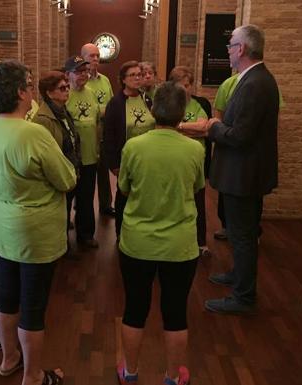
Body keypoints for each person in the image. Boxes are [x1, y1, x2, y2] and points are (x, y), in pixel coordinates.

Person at [0, 60, 76, 385]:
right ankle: (33, 375)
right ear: (19, 92)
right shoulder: (34, 133)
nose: (32, 91)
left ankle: (9, 358)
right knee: (32, 304)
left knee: (7, 293)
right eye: (29, 85)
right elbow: (66, 178)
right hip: (34, 230)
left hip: (0, 222)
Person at [116, 81, 204, 385]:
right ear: (183, 113)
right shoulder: (195, 149)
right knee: (176, 312)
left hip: (137, 242)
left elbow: (124, 188)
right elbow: (197, 188)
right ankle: (172, 377)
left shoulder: (134, 146)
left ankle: (130, 372)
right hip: (180, 245)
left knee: (135, 309)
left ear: (152, 109)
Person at [201, 25, 280, 315]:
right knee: (238, 233)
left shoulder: (255, 83)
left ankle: (243, 296)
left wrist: (213, 127)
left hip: (244, 174)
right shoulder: (253, 79)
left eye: (231, 45)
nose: (229, 50)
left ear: (242, 49)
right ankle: (238, 275)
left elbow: (240, 135)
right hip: (243, 172)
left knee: (243, 235)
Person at [212, 73, 285, 241]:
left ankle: (248, 233)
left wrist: (217, 129)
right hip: (233, 153)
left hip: (246, 158)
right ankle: (228, 226)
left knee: (248, 214)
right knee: (229, 199)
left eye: (232, 48)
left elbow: (269, 119)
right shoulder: (228, 84)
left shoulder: (257, 84)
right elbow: (219, 114)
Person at [103, 61, 155, 238]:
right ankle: (121, 234)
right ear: (123, 79)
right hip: (126, 159)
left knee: (145, 196)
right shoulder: (115, 104)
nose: (137, 78)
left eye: (139, 74)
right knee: (124, 197)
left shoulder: (147, 99)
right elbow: (108, 136)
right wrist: (114, 164)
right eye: (132, 75)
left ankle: (142, 232)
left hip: (148, 158)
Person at [169, 66, 213, 257]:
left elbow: (204, 127)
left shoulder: (198, 104)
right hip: (175, 160)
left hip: (196, 161)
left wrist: (179, 126)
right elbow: (164, 127)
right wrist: (192, 129)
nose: (185, 89)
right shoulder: (169, 105)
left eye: (188, 85)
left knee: (197, 200)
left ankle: (200, 242)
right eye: (181, 85)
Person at [32, 71, 81, 235]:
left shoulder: (62, 110)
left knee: (66, 210)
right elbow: (46, 153)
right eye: (62, 88)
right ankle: (63, 245)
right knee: (60, 213)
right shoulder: (43, 118)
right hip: (57, 174)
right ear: (49, 92)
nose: (67, 90)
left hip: (70, 167)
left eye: (67, 86)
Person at [64, 56, 101, 249]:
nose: (83, 75)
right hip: (69, 159)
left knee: (86, 199)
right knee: (66, 200)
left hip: (89, 156)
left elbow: (96, 122)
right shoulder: (64, 95)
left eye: (85, 71)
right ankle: (63, 241)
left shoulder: (92, 93)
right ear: (67, 75)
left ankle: (85, 235)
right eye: (78, 72)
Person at [81, 43, 115, 217]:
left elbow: (111, 105)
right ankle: (79, 207)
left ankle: (106, 204)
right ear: (83, 58)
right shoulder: (80, 80)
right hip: (86, 135)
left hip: (103, 133)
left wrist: (103, 112)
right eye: (91, 56)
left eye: (97, 55)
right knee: (85, 176)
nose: (95, 59)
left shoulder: (105, 80)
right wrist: (101, 111)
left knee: (103, 171)